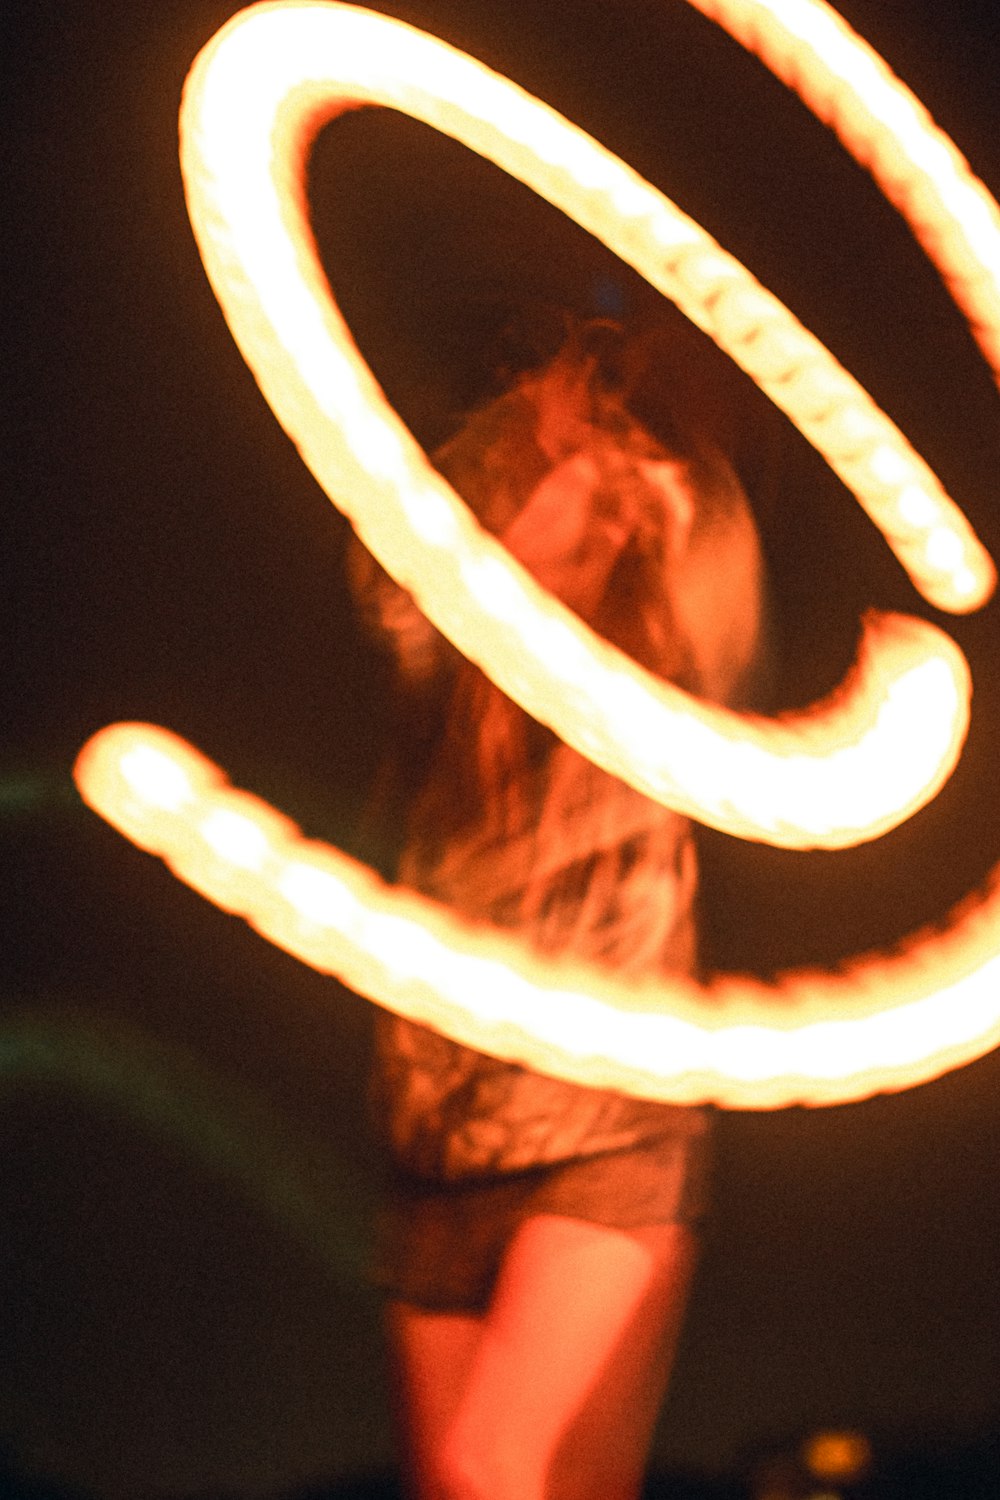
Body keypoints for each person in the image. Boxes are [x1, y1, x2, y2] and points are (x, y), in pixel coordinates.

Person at [348, 318, 771, 1500]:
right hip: (435, 1113)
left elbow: (724, 652)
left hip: (602, 1124)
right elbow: (401, 596)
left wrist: (627, 482)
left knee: (493, 1468)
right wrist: (531, 464)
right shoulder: (449, 572)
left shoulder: (684, 552)